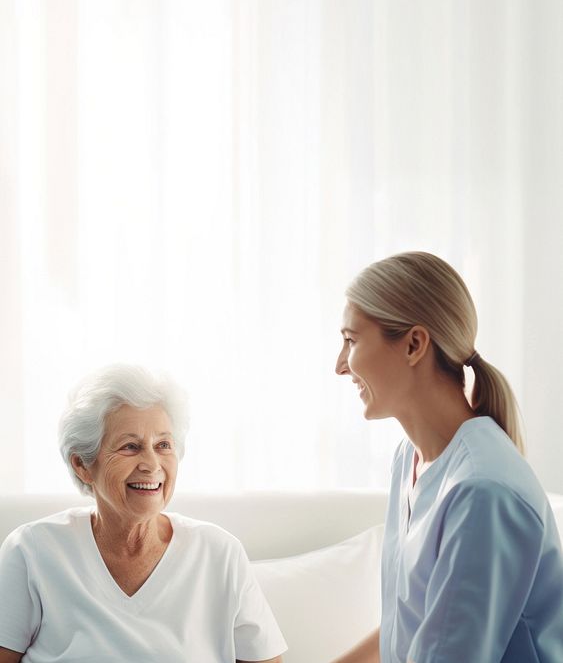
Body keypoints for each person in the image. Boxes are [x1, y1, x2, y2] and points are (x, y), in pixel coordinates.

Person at [332, 251, 563, 663]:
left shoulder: (483, 491)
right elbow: (413, 626)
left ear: (414, 345)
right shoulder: (410, 460)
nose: (339, 365)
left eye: (351, 340)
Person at [0, 364, 286, 663]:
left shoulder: (219, 552)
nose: (151, 463)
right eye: (130, 446)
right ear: (82, 465)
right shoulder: (32, 550)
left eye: (163, 445)